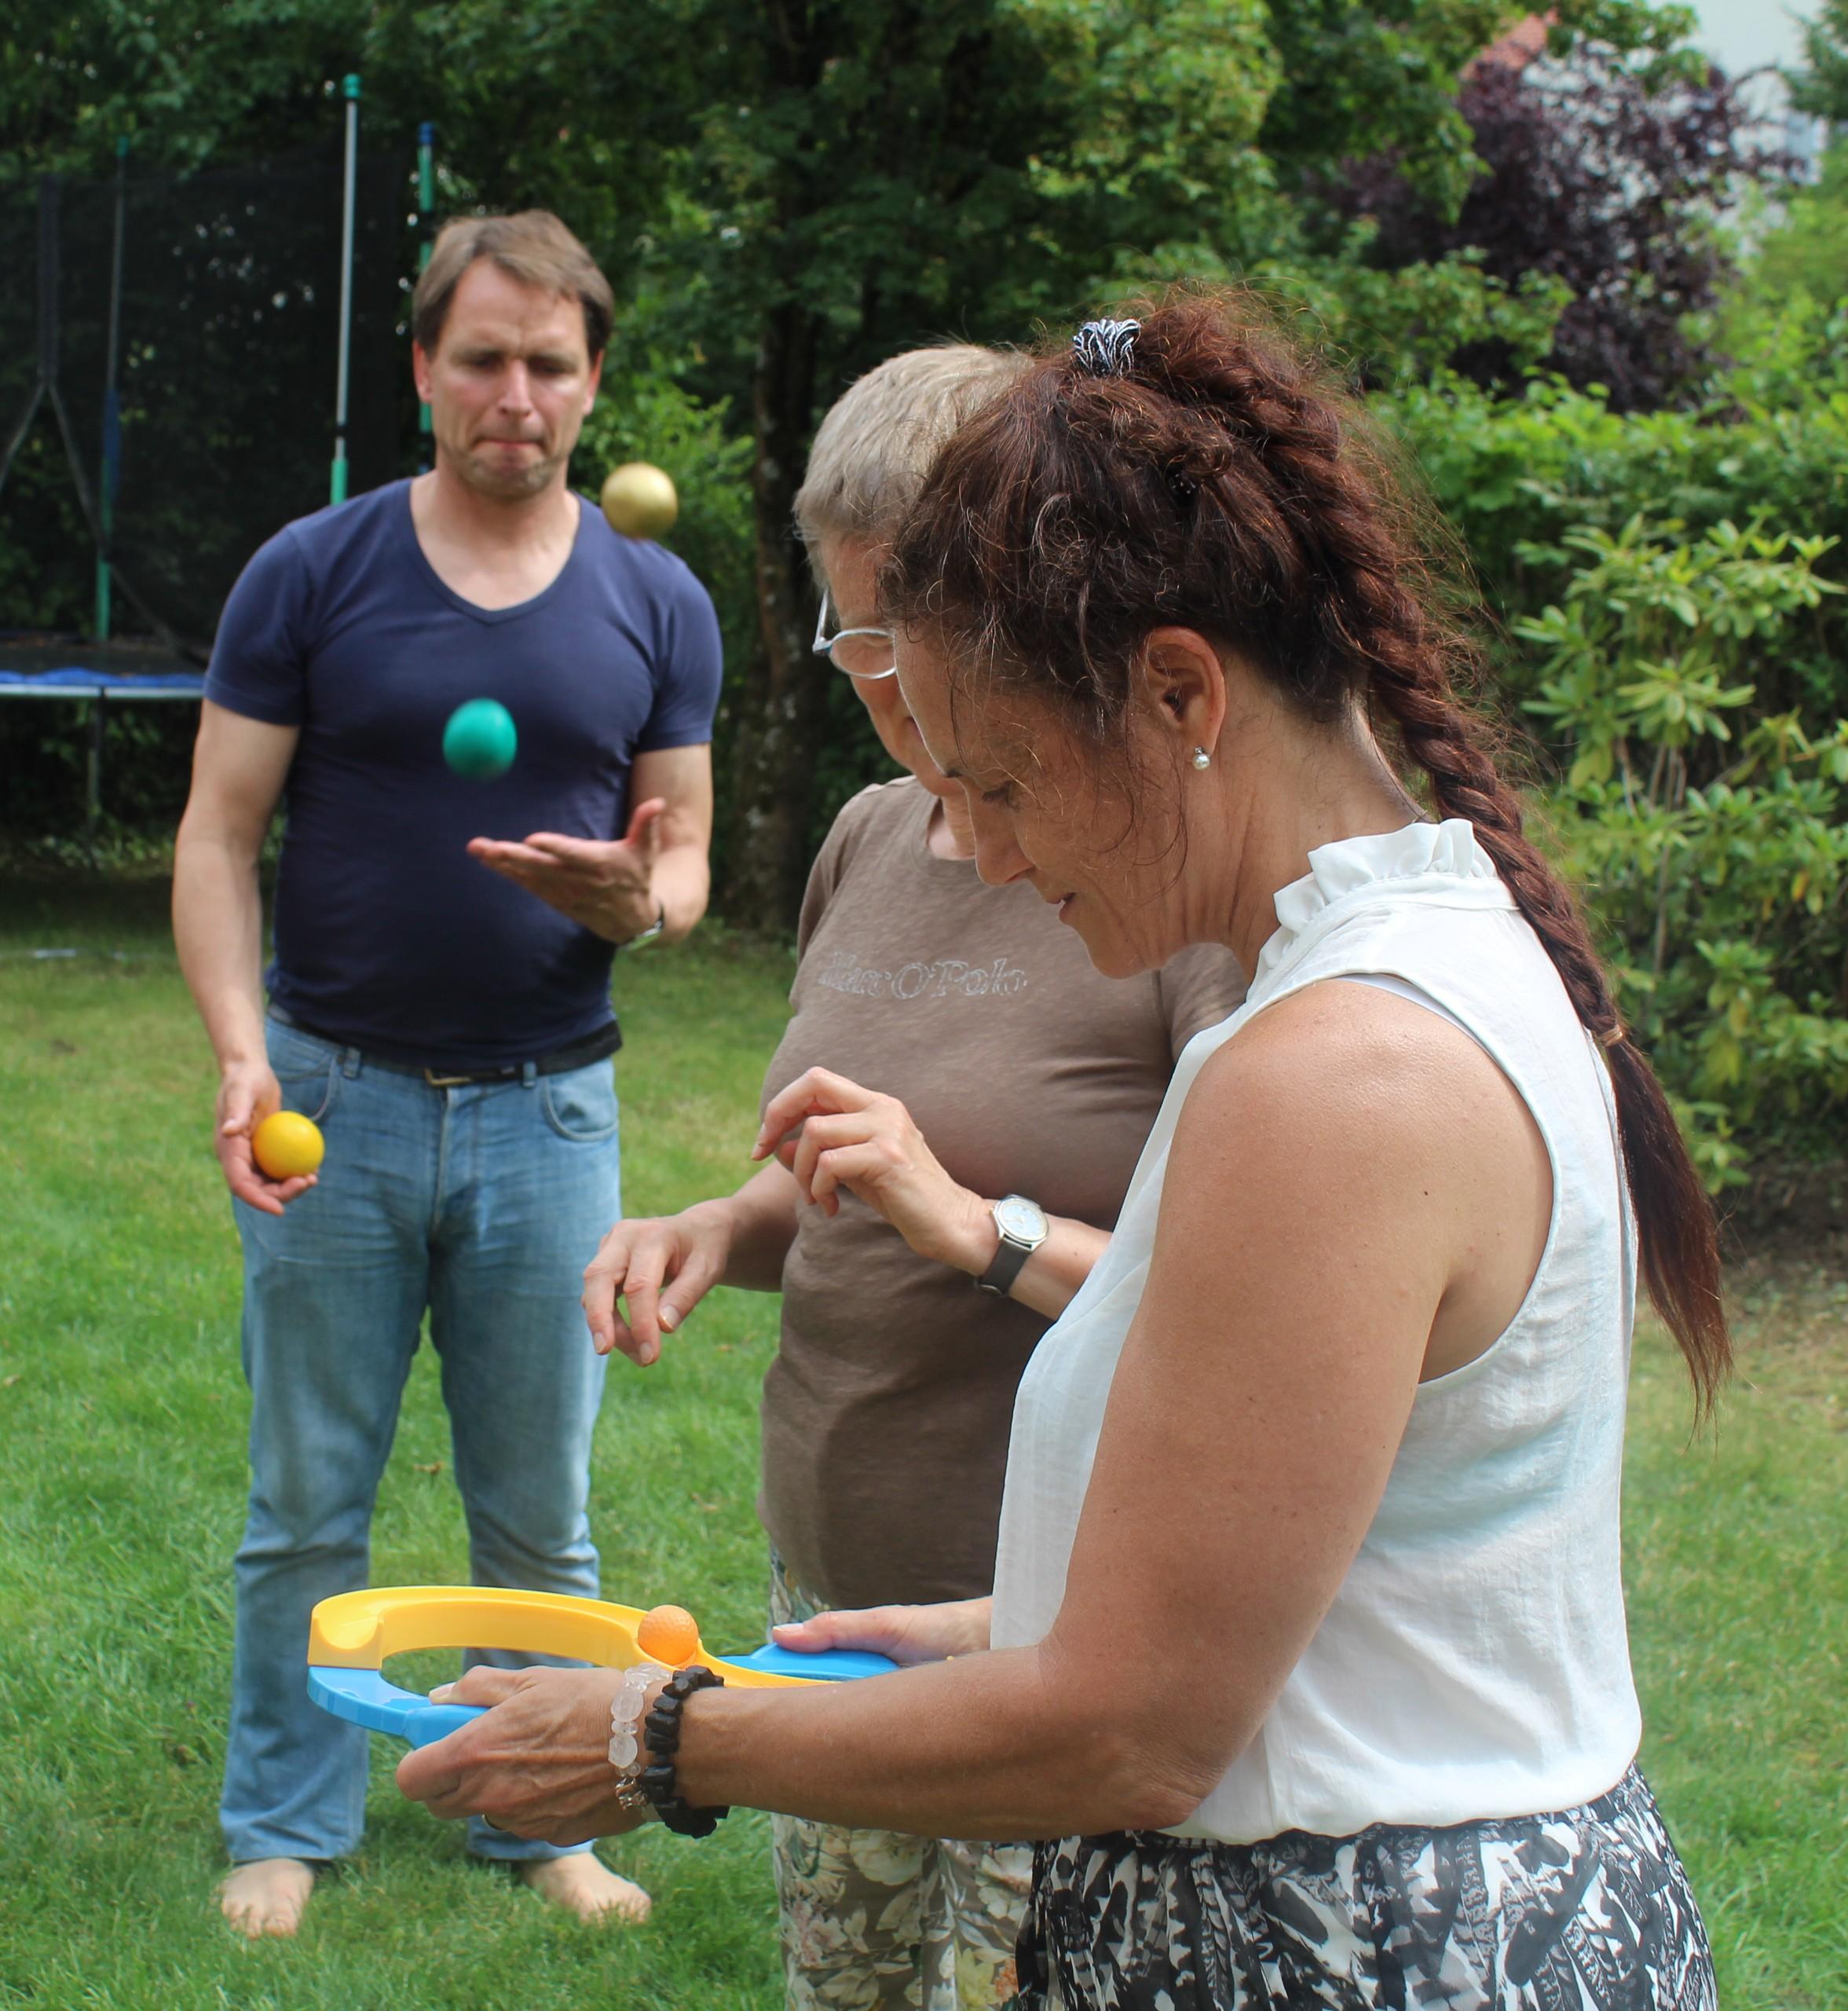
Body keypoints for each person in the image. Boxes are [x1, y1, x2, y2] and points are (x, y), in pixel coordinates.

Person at [393, 291, 1729, 2011]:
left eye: (1008, 780)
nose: (996, 857)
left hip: (1363, 1954)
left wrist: (664, 1737)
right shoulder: (1399, 967)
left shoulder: (1337, 1070)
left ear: (1180, 689)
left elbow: (1138, 1730)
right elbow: (1337, 1573)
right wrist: (975, 1639)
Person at [582, 343, 1242, 2011]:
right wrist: (709, 1228)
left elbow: (1247, 1311)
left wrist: (978, 1224)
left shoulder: (1174, 889)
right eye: (847, 629)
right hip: (831, 1578)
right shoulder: (868, 840)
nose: (881, 679)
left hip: (1046, 1617)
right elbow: (824, 1186)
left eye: (906, 629)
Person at [171, 208, 720, 1939]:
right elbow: (215, 832)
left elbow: (685, 858)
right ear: (422, 368)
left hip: (554, 1106)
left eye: (549, 363)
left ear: (591, 381)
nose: (514, 394)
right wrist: (240, 1053)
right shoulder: (314, 572)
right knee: (306, 1500)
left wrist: (646, 897)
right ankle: (283, 1819)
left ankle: (535, 1817)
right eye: (480, 357)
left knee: (539, 1515)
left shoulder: (655, 598)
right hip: (335, 1096)